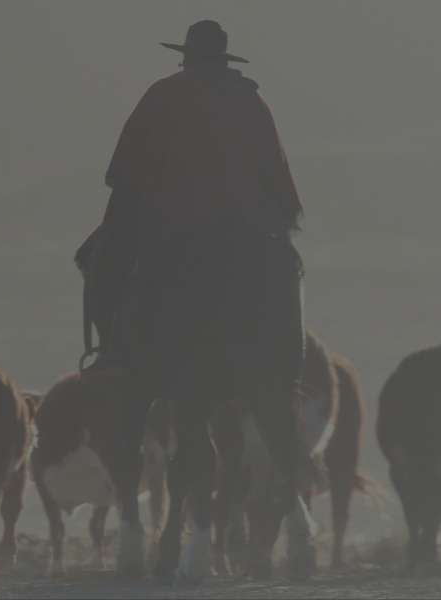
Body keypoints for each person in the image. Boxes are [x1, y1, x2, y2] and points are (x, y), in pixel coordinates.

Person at [77, 19, 304, 372]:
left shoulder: (162, 95)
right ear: (223, 59)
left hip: (166, 226)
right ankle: (288, 370)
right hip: (241, 228)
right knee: (286, 270)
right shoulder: (249, 100)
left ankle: (110, 354)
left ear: (188, 58)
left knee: (94, 260)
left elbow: (124, 173)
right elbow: (278, 179)